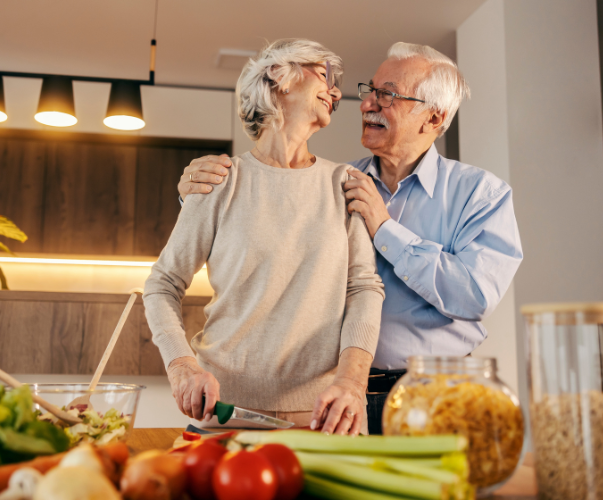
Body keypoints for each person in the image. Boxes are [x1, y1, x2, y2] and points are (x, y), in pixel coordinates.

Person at [176, 42, 523, 434]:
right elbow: (268, 227)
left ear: (433, 117)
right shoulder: (335, 182)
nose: (366, 104)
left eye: (387, 95)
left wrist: (385, 230)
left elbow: (474, 295)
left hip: (437, 395)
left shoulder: (481, 194)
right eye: (370, 90)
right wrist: (200, 194)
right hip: (335, 395)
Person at [143, 39, 385, 437]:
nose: (337, 91)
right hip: (223, 417)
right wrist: (182, 366)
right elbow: (162, 284)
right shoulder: (220, 180)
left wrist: (353, 383)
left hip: (322, 422)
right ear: (279, 77)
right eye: (323, 74)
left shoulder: (343, 183)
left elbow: (363, 288)